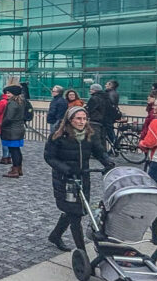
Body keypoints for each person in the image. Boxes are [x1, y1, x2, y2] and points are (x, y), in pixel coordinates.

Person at [44, 106, 114, 251]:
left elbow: (99, 151)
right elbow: (49, 157)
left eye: (84, 118)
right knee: (74, 214)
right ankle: (81, 251)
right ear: (70, 120)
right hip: (65, 178)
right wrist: (66, 169)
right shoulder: (58, 135)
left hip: (83, 176)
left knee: (77, 210)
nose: (82, 122)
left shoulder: (90, 134)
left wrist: (108, 162)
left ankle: (55, 235)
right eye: (78, 119)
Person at [0, 85, 26, 178]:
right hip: (18, 128)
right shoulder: (21, 102)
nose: (7, 95)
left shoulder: (12, 103)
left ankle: (15, 170)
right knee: (17, 150)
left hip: (11, 130)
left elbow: (9, 117)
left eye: (9, 93)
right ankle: (18, 168)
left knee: (13, 150)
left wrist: (2, 124)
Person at [86, 83, 119, 151]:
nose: (90, 91)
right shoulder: (105, 96)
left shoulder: (94, 98)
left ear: (95, 90)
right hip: (106, 118)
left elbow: (89, 109)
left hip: (97, 120)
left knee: (97, 136)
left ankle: (102, 151)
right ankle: (109, 149)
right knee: (103, 136)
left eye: (91, 89)